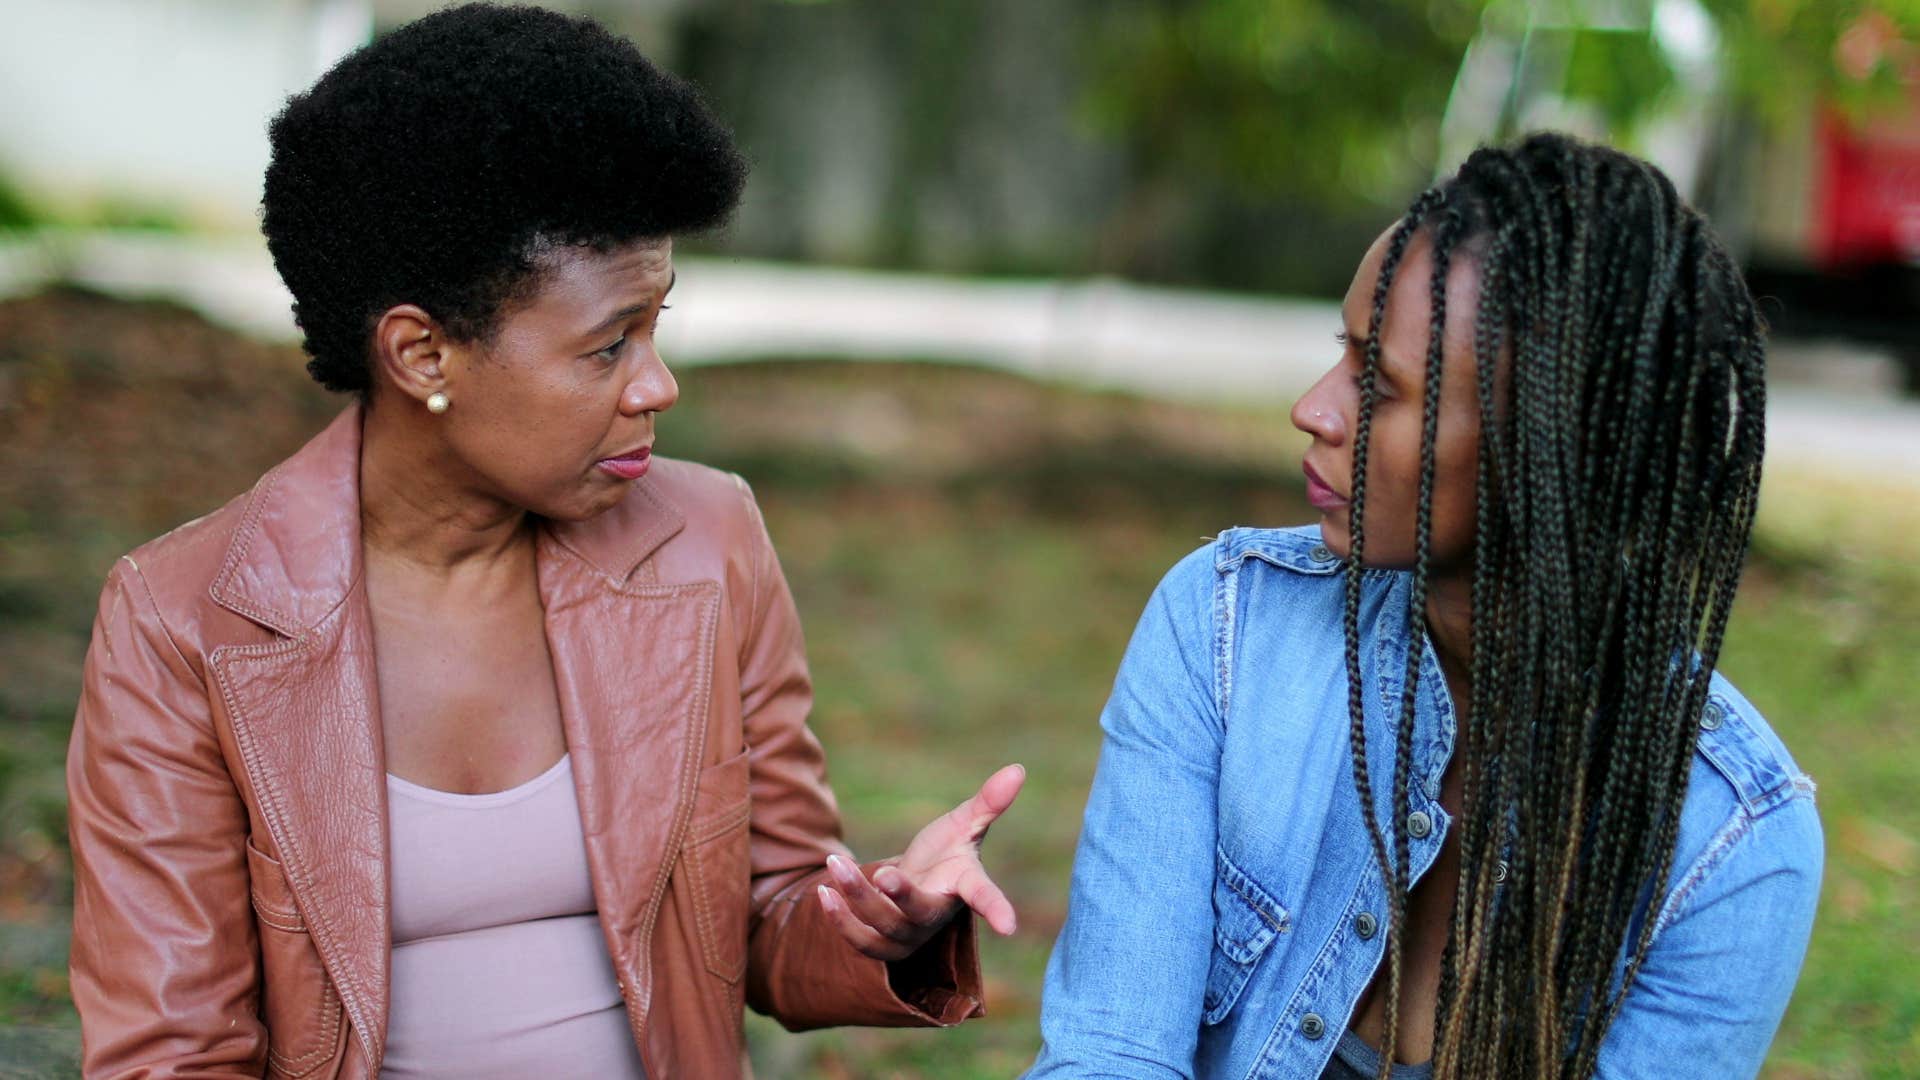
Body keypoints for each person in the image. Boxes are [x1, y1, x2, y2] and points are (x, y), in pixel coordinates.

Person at [64, 6, 1021, 1078]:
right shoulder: (186, 620)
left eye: (657, 326)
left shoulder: (708, 545)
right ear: (423, 354)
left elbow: (764, 914)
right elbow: (171, 1051)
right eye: (609, 345)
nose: (657, 385)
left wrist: (876, 919)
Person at [1028, 133, 1822, 1079]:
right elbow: (1109, 1053)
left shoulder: (1729, 841)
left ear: (1543, 454)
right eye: (1342, 354)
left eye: (1380, 382)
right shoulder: (1226, 628)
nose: (1315, 409)